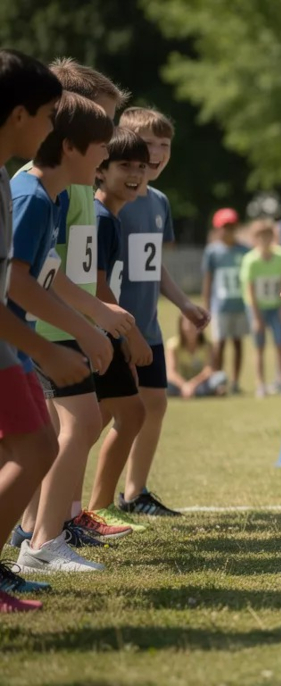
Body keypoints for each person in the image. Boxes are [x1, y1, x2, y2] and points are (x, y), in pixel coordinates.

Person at [9, 93, 133, 575]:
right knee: (47, 439)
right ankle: (40, 543)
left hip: (27, 340)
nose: (107, 158)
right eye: (102, 146)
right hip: (23, 340)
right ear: (71, 147)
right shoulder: (32, 196)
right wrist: (81, 328)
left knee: (38, 443)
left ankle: (36, 541)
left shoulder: (53, 197)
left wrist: (89, 323)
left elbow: (42, 273)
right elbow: (17, 279)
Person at [0, 48, 86, 612]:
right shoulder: (21, 190)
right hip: (9, 343)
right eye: (51, 114)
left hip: (10, 344)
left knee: (34, 445)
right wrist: (43, 353)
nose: (54, 128)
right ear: (18, 115)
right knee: (34, 446)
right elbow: (16, 285)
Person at [110, 106, 211, 518]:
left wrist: (184, 304)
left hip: (147, 327)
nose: (157, 152)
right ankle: (71, 508)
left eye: (164, 145)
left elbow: (153, 267)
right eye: (147, 143)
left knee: (154, 405)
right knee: (101, 416)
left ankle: (135, 494)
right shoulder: (111, 199)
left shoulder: (159, 202)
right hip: (114, 327)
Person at [88, 127, 157, 534]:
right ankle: (91, 510)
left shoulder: (110, 217)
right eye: (124, 165)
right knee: (128, 414)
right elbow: (97, 286)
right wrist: (127, 334)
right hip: (96, 331)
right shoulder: (99, 218)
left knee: (107, 417)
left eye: (141, 167)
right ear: (101, 170)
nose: (135, 174)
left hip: (102, 330)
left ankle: (85, 510)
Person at [240, 220, 281, 398]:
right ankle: (260, 384)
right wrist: (255, 317)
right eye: (260, 236)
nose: (264, 239)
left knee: (280, 345)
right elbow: (250, 290)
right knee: (259, 347)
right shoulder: (250, 260)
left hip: (276, 307)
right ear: (254, 239)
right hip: (257, 308)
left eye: (267, 235)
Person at [202, 207, 249, 395]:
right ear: (218, 228)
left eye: (231, 226)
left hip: (240, 304)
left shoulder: (244, 250)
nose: (228, 231)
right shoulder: (213, 252)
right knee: (219, 344)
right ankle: (218, 381)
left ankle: (236, 381)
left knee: (238, 342)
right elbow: (208, 279)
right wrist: (206, 305)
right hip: (220, 306)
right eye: (224, 227)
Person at [166, 317, 226, 398]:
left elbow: (208, 370)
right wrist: (184, 386)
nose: (191, 328)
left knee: (221, 377)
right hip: (179, 383)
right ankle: (204, 392)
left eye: (195, 324)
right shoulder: (173, 346)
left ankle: (192, 392)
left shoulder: (207, 345)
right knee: (161, 381)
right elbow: (171, 373)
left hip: (200, 382)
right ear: (181, 326)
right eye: (188, 324)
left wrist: (192, 385)